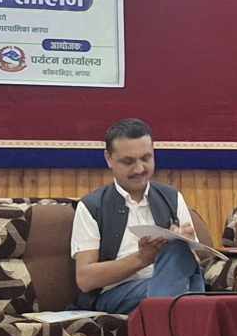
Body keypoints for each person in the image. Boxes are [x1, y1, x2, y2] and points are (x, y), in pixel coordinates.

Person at [72, 118, 206, 314]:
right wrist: (142, 258)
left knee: (178, 251)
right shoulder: (92, 206)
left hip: (170, 282)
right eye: (128, 161)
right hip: (116, 292)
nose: (139, 169)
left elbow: (192, 265)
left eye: (146, 158)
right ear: (109, 159)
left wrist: (187, 245)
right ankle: (187, 309)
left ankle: (174, 309)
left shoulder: (172, 197)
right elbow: (85, 280)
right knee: (185, 295)